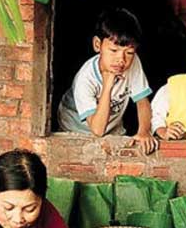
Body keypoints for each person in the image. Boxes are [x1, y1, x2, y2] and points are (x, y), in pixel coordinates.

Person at [57, 8, 158, 154]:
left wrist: (144, 131)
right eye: (113, 50)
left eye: (129, 52)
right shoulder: (85, 79)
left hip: (113, 127)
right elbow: (97, 130)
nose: (121, 60)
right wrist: (107, 85)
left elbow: (142, 101)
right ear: (97, 45)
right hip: (75, 129)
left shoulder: (133, 62)